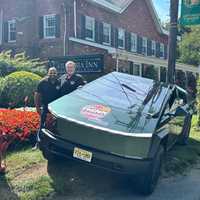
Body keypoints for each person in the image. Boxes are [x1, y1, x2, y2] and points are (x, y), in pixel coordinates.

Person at [33, 67, 60, 149]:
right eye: (51, 73)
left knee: (56, 126)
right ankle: (38, 144)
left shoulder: (59, 82)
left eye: (54, 73)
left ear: (57, 74)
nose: (52, 74)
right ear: (48, 73)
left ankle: (54, 144)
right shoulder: (42, 82)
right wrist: (37, 108)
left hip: (57, 108)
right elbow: (37, 96)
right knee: (42, 125)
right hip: (46, 107)